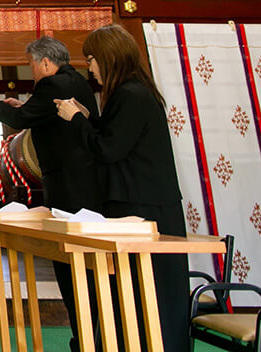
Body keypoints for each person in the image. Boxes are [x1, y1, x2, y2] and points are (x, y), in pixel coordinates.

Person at [55, 24, 188, 352]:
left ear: (108, 56)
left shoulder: (131, 94)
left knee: (148, 294)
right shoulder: (133, 92)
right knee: (133, 292)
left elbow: (108, 150)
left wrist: (77, 120)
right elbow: (114, 136)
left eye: (91, 59)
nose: (90, 67)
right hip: (141, 203)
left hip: (142, 208)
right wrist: (89, 117)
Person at [0, 35, 100, 352]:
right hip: (86, 183)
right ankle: (92, 337)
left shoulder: (52, 84)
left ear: (46, 63)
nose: (32, 71)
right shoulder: (75, 82)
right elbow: (35, 113)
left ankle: (84, 340)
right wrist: (24, 108)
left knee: (70, 266)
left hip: (68, 186)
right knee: (86, 267)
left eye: (32, 65)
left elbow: (19, 119)